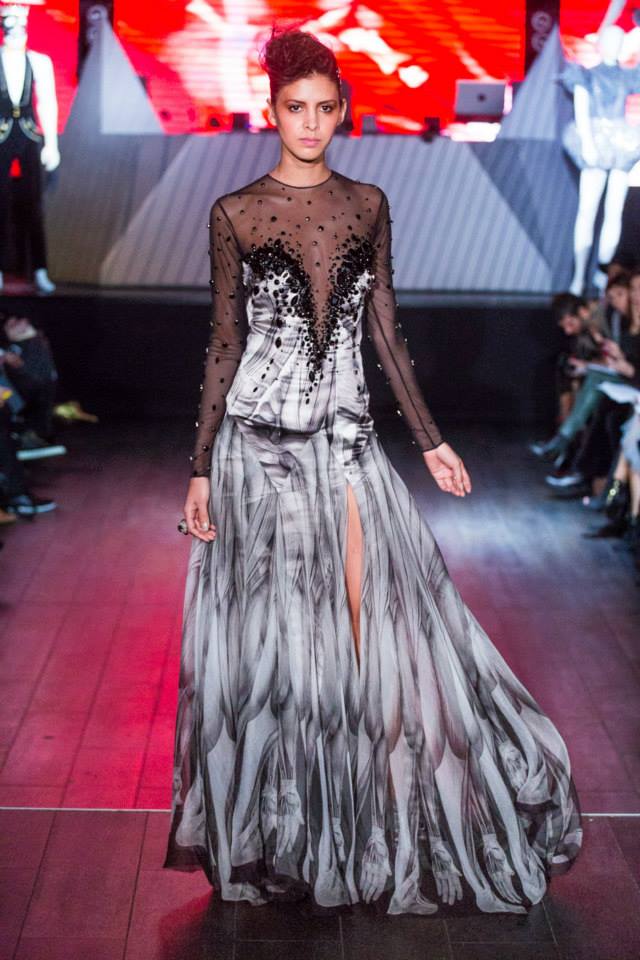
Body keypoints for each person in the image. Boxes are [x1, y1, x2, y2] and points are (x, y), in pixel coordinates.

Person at [163, 27, 582, 915]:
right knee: (278, 650)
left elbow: (386, 331)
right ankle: (292, 833)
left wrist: (429, 440)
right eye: (295, 108)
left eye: (324, 108)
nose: (310, 123)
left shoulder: (368, 203)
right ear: (272, 111)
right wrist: (199, 468)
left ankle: (373, 826)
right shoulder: (235, 212)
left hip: (348, 443)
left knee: (372, 626)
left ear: (343, 111)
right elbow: (224, 344)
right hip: (256, 449)